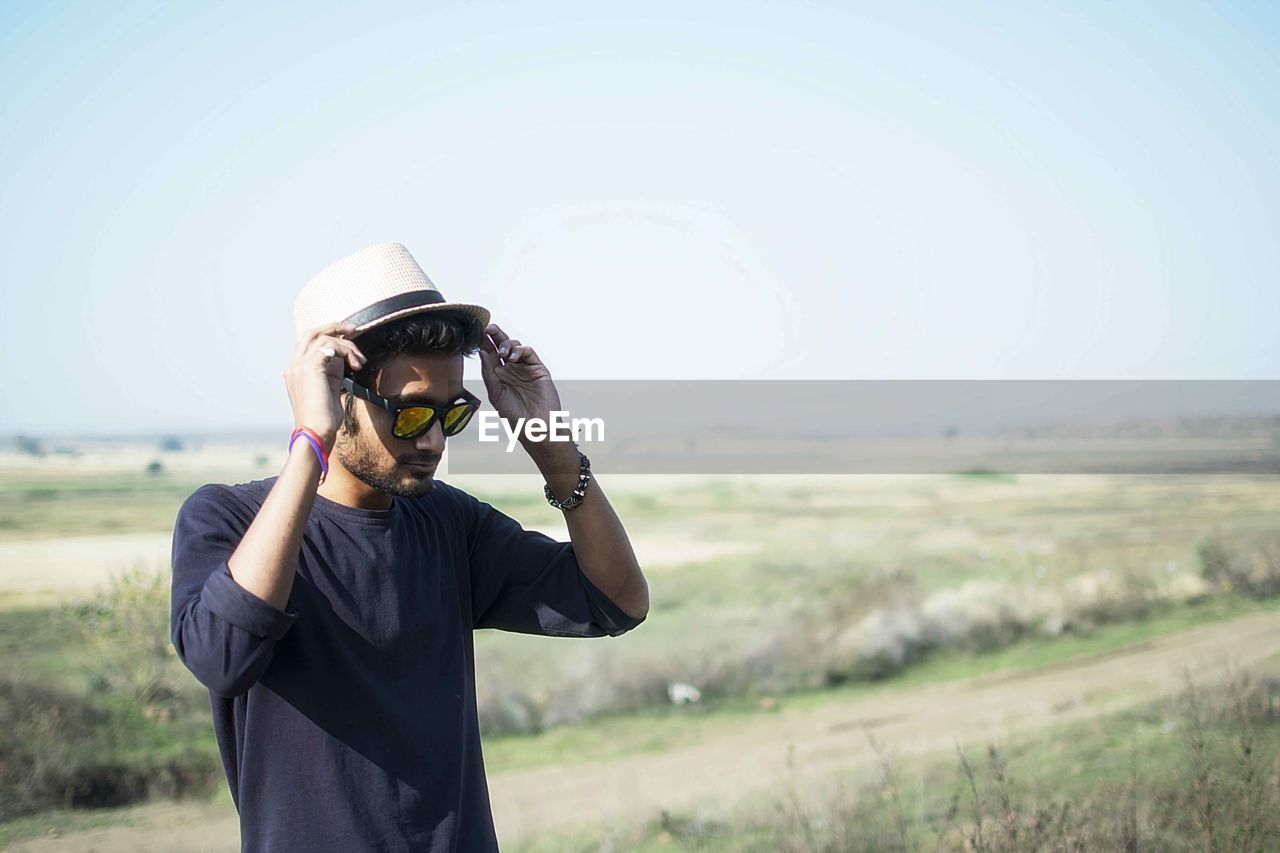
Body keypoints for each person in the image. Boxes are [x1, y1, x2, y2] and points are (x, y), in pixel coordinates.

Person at [169, 242, 649, 852]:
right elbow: (223, 658)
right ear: (337, 395)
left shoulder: (447, 522)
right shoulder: (227, 519)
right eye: (410, 414)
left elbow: (618, 602)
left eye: (450, 415)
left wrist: (554, 452)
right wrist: (308, 442)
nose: (432, 440)